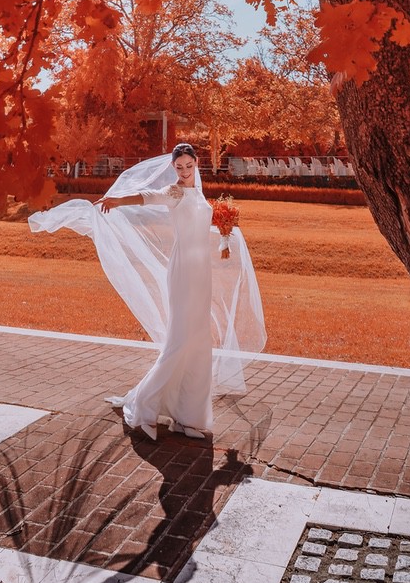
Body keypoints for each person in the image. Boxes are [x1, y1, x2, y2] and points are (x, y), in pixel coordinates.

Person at [28, 143, 266, 441]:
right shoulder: (174, 192)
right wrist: (118, 201)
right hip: (183, 272)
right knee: (180, 342)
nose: (184, 171)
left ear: (196, 163)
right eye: (178, 167)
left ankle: (188, 418)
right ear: (173, 167)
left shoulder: (199, 195)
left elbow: (199, 227)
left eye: (188, 166)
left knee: (199, 343)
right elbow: (147, 197)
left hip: (201, 273)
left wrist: (225, 232)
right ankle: (143, 408)